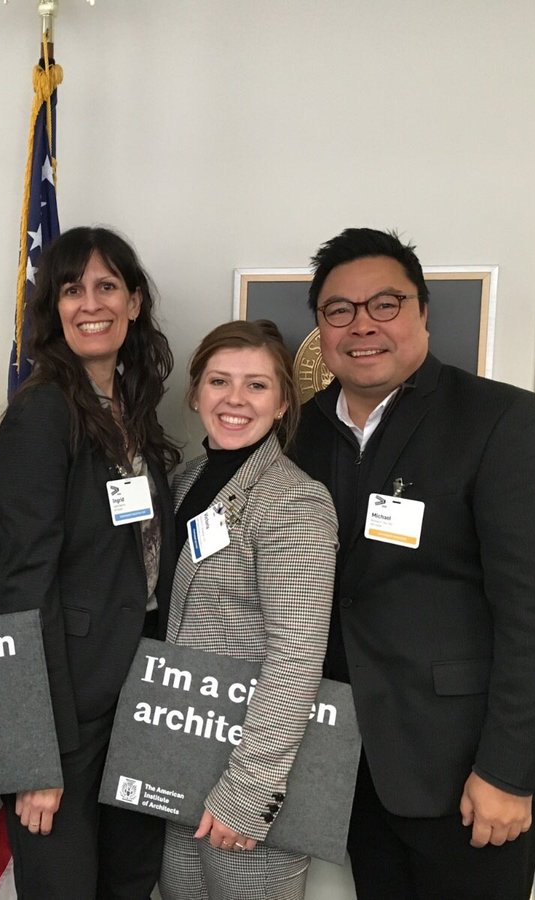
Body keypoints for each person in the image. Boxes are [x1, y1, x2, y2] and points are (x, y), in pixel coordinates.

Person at [290, 228, 535, 900]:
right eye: (340, 310)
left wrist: (511, 771)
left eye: (385, 305)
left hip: (467, 772)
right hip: (346, 764)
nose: (362, 325)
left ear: (424, 313)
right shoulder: (298, 431)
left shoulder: (499, 421)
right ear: (321, 328)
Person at [0, 226, 181, 898]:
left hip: (138, 688)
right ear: (54, 308)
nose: (89, 303)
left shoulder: (132, 409)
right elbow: (22, 584)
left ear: (133, 303)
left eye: (106, 286)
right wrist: (34, 748)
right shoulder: (43, 413)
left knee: (129, 879)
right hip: (68, 701)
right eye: (72, 289)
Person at [159, 321, 337, 900]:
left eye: (256, 385)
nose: (235, 399)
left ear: (284, 401)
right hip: (179, 756)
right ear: (195, 392)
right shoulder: (182, 481)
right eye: (219, 381)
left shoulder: (293, 497)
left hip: (250, 775)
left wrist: (249, 789)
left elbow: (297, 652)